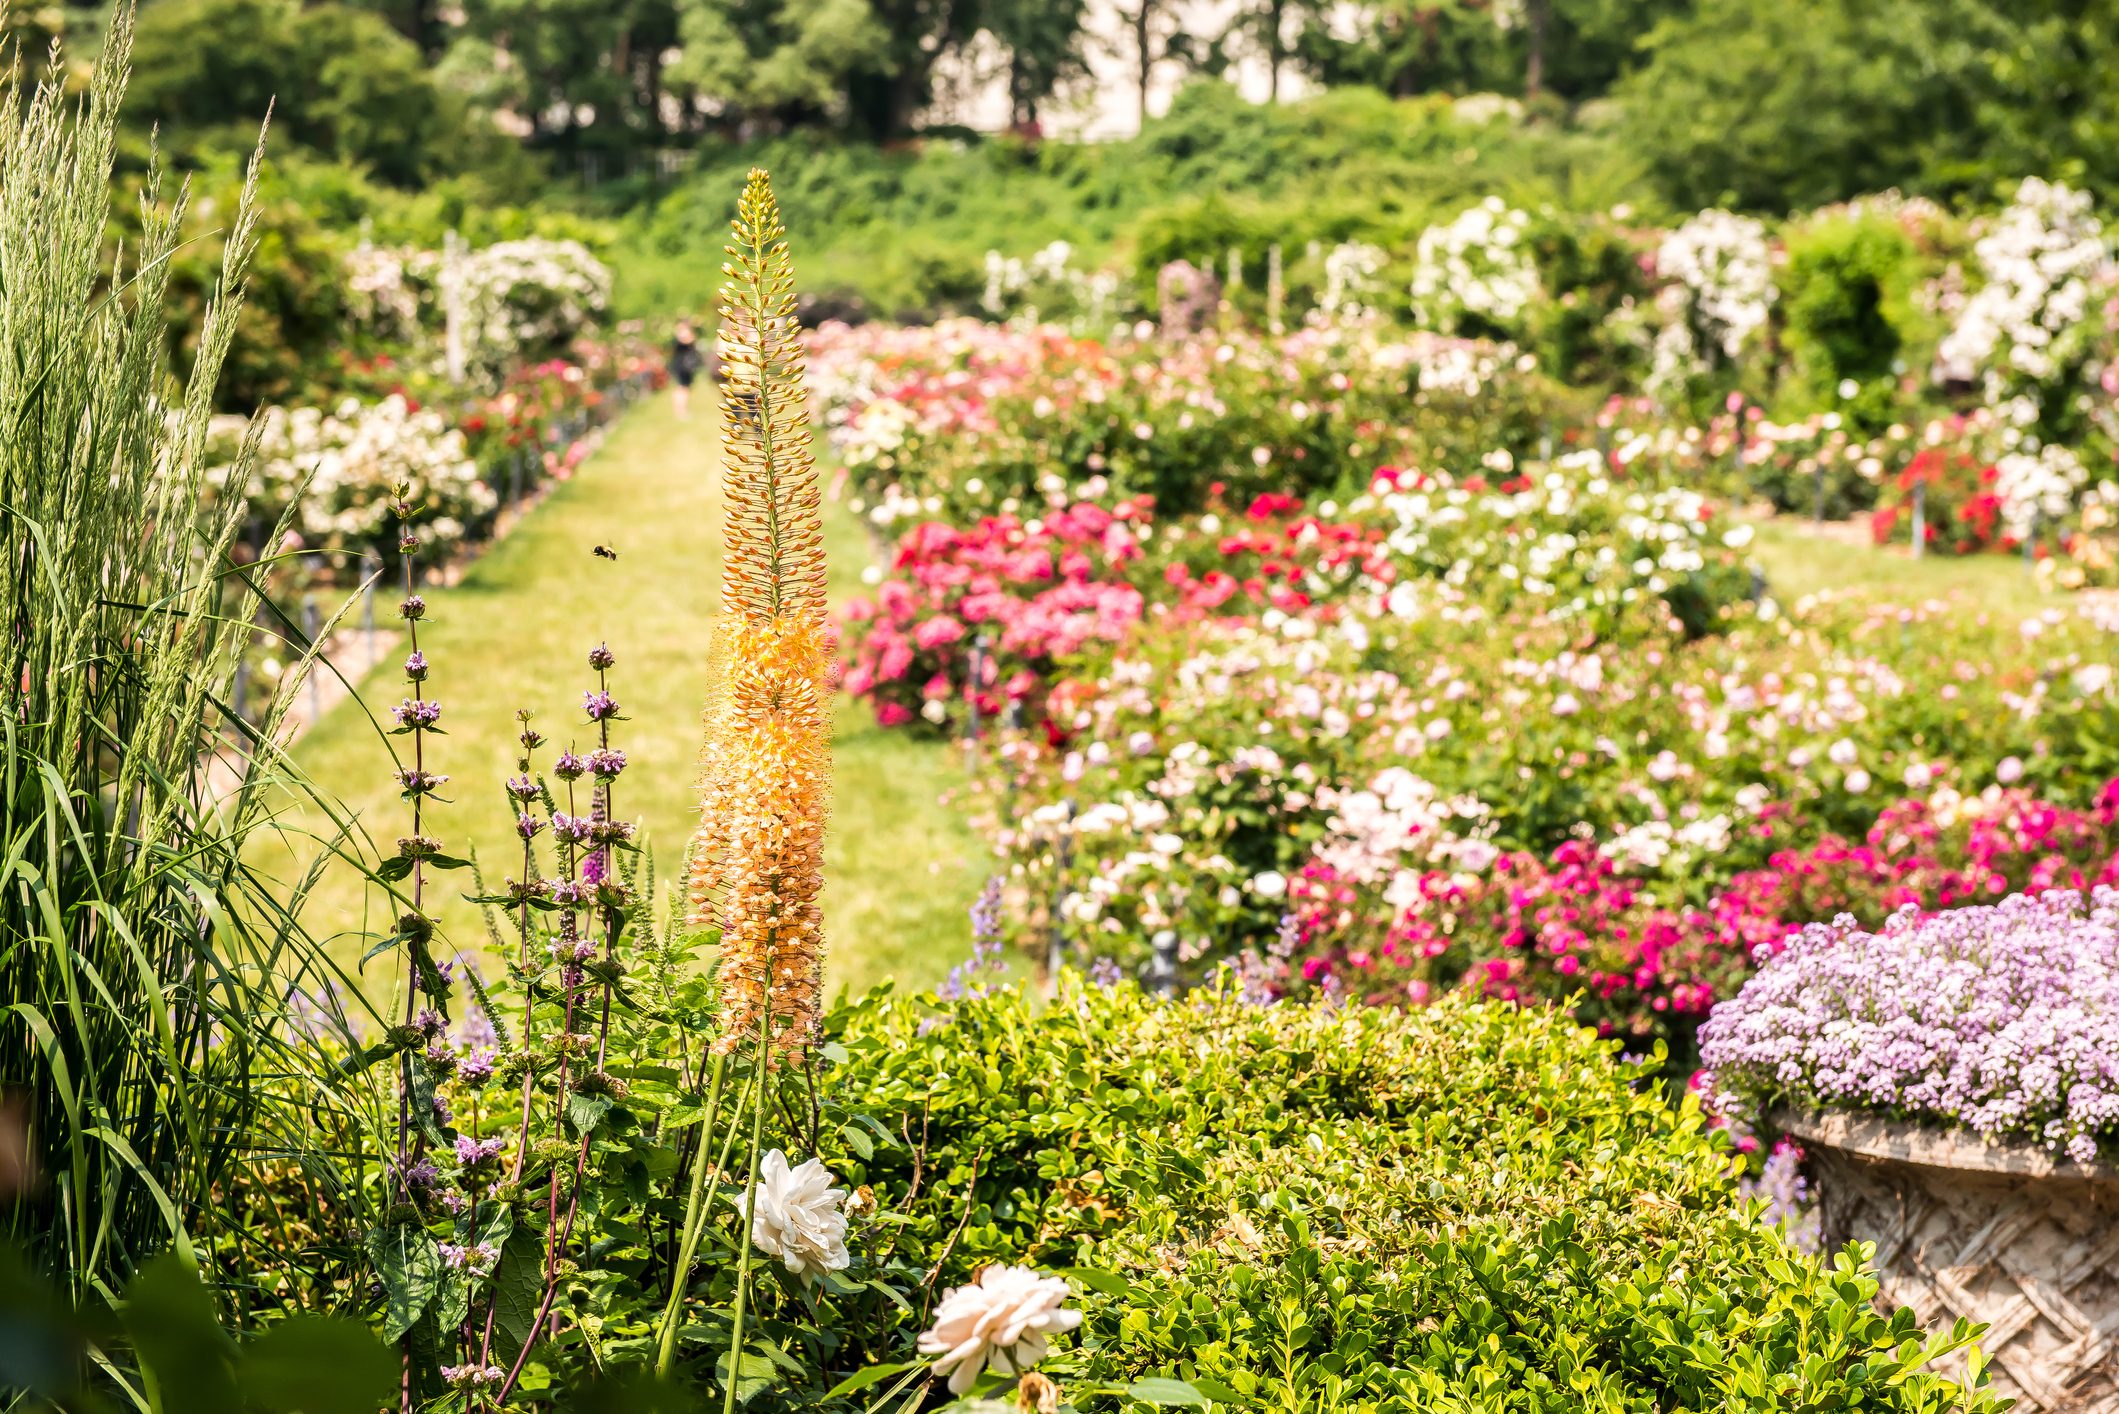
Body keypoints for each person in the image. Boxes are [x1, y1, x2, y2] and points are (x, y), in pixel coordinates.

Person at [668, 319, 703, 420]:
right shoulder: (681, 336)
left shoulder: (680, 336)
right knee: (682, 389)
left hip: (683, 366)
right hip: (682, 367)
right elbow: (689, 340)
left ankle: (681, 411)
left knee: (684, 389)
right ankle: (681, 411)